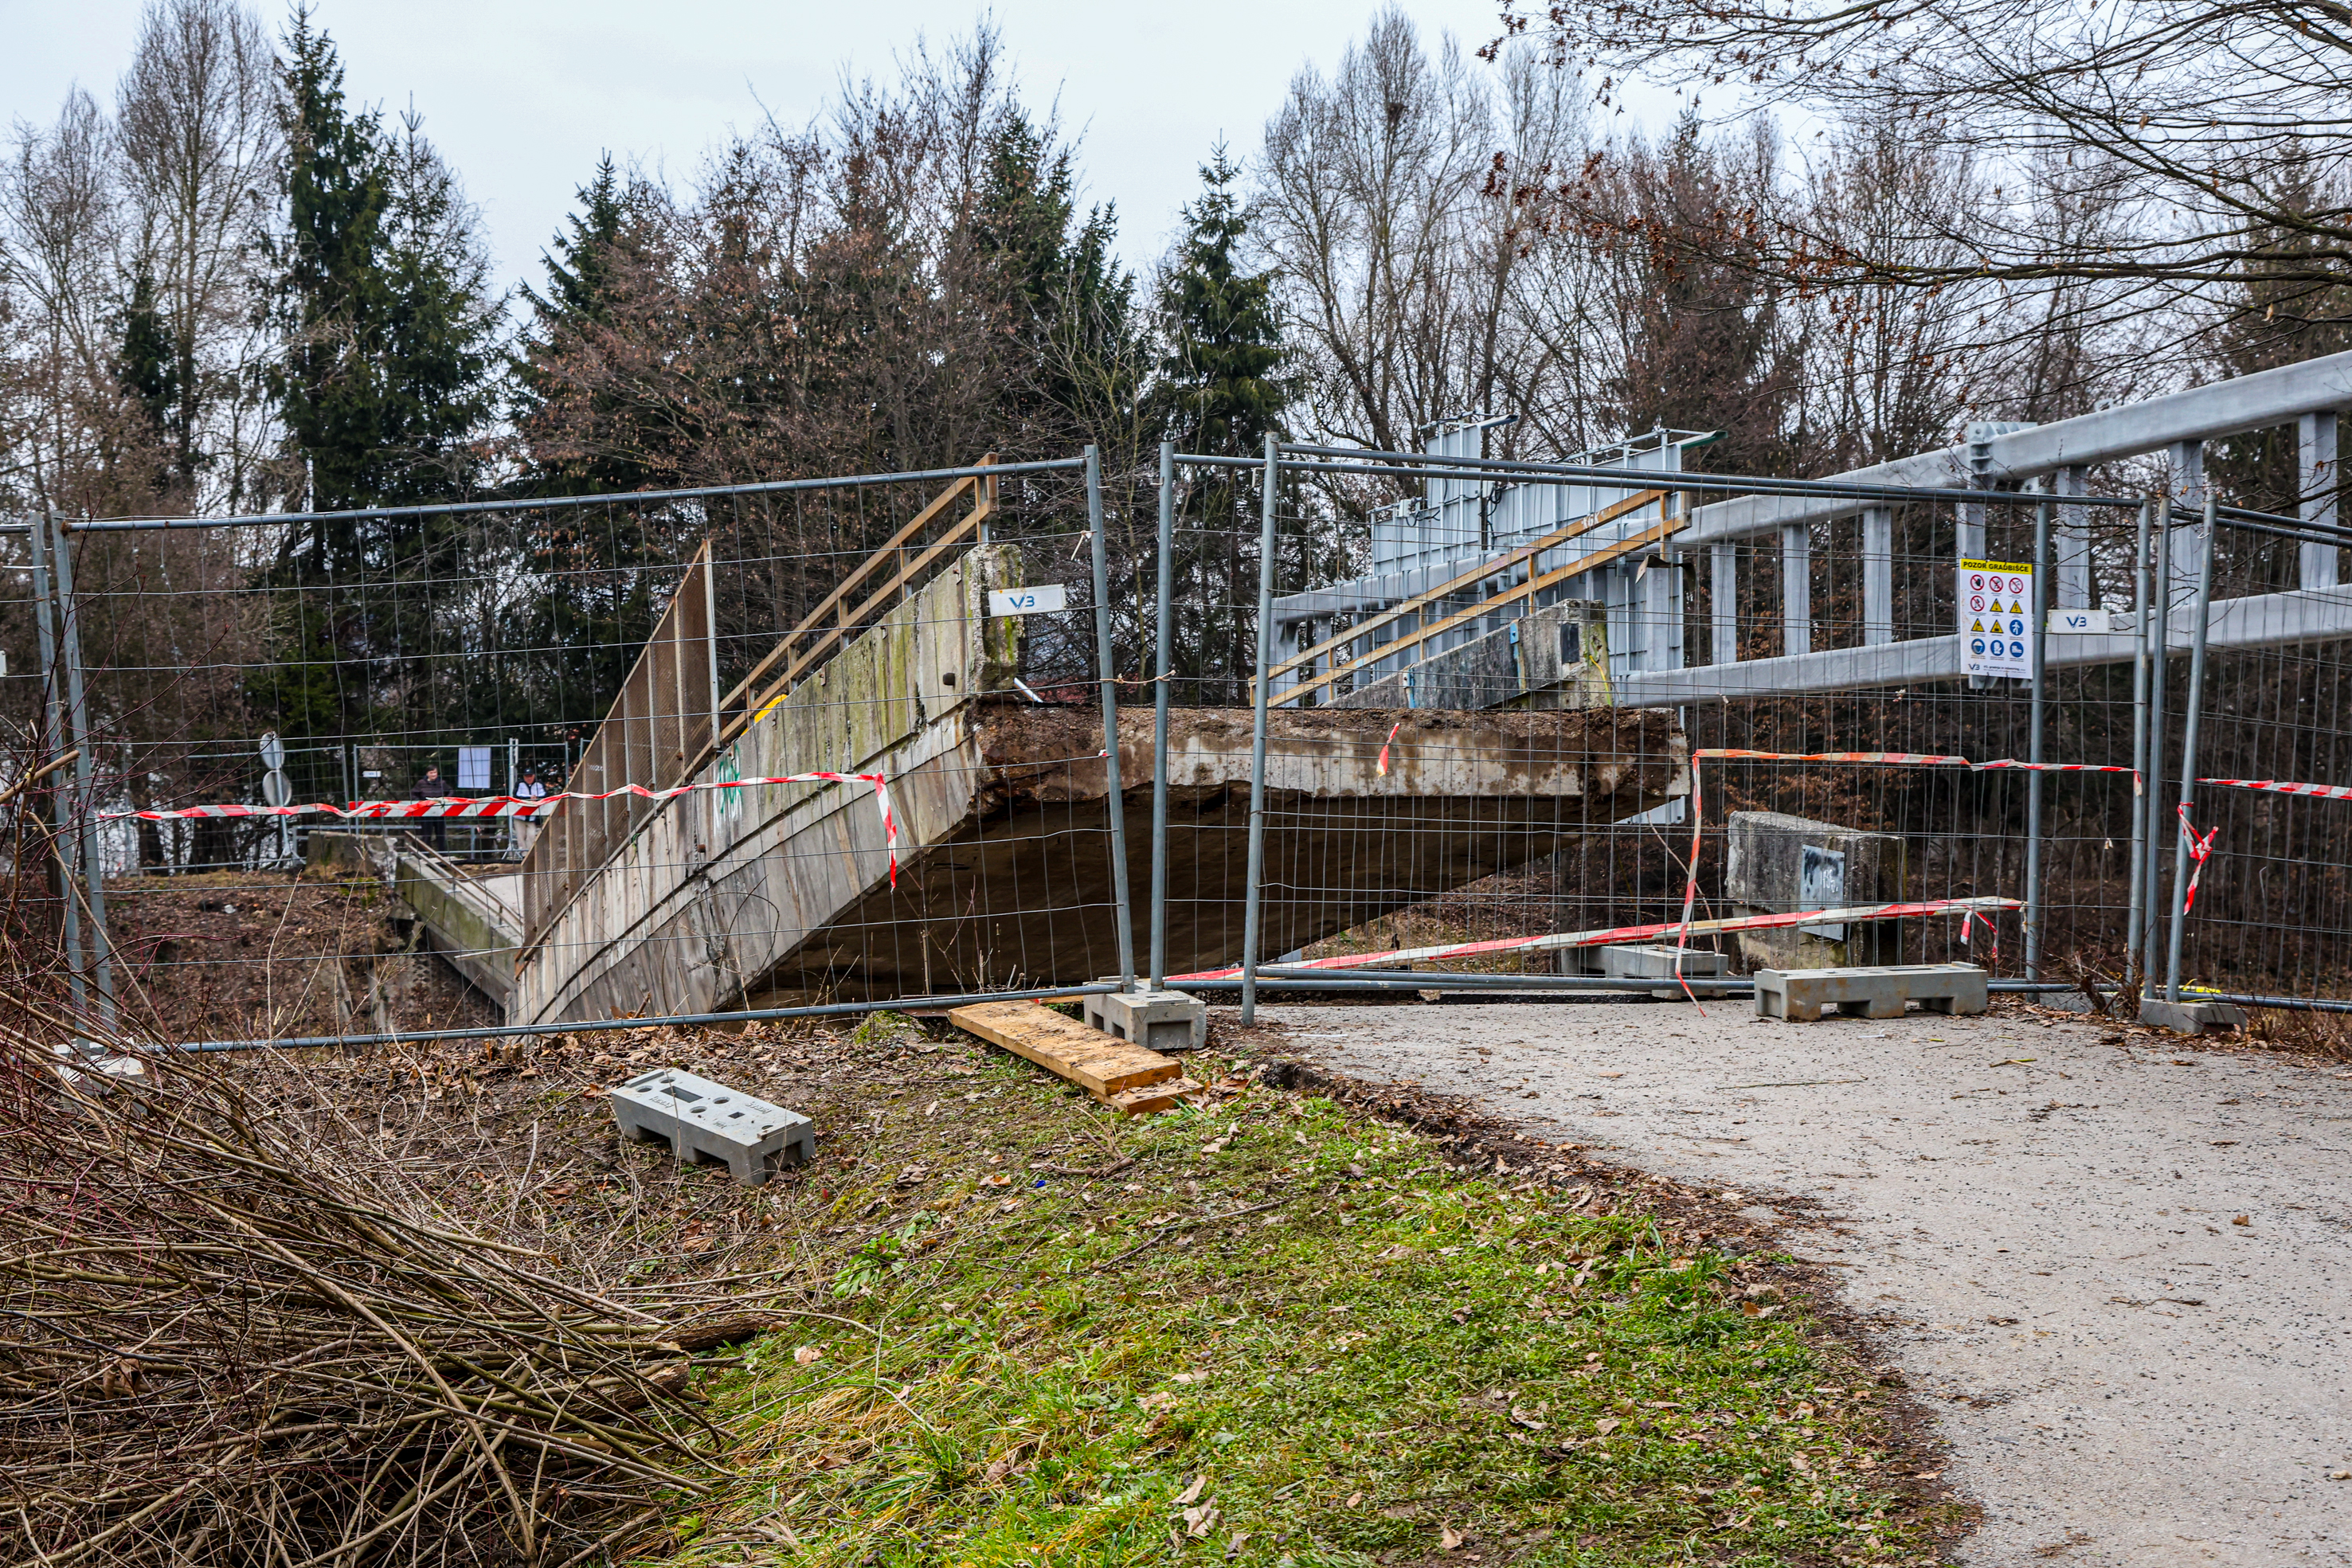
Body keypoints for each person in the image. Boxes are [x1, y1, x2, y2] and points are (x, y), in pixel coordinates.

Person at [512, 765, 550, 859]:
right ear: (524, 777)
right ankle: (524, 854)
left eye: (530, 776)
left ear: (534, 776)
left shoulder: (539, 784)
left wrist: (537, 798)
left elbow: (545, 795)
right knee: (521, 836)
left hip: (532, 817)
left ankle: (530, 854)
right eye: (527, 776)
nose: (529, 778)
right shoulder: (519, 784)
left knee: (532, 835)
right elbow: (516, 796)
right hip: (519, 816)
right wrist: (529, 798)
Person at [409, 763, 448, 851]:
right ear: (427, 774)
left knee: (441, 834)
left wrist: (445, 800)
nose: (433, 775)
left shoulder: (442, 783)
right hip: (426, 813)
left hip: (439, 812)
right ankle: (425, 854)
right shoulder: (421, 783)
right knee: (426, 834)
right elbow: (413, 794)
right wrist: (420, 802)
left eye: (435, 772)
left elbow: (450, 791)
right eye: (431, 773)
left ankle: (443, 854)